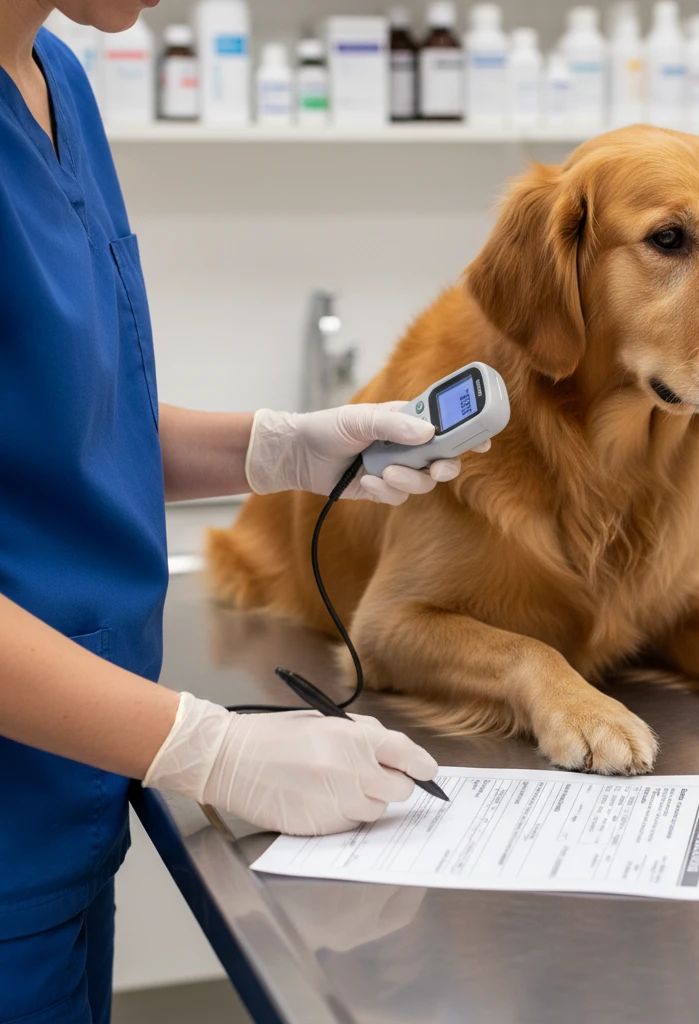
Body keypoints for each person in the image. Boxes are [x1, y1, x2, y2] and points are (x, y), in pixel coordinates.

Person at [0, 1, 489, 1020]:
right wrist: (211, 747)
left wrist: (278, 446)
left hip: (64, 794)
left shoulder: (57, 77)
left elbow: (63, 418)